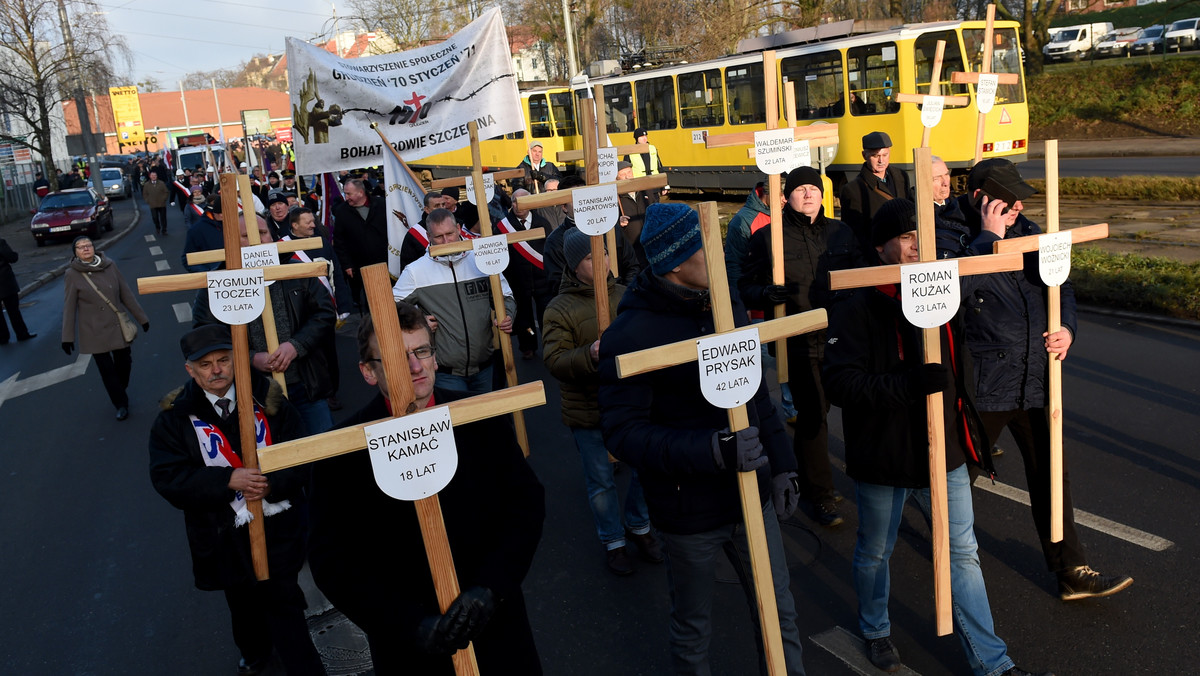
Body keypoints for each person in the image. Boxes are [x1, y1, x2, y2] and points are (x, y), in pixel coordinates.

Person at [823, 198, 1052, 676]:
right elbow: (841, 384)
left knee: (963, 554)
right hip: (886, 454)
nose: (913, 247)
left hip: (943, 450)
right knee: (875, 551)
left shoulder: (943, 295)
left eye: (919, 237)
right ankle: (876, 629)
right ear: (882, 247)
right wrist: (905, 386)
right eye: (903, 238)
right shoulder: (858, 303)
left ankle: (993, 662)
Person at [598, 203, 807, 675]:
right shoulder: (629, 336)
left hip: (752, 495)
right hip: (688, 512)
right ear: (673, 262)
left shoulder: (726, 304)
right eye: (704, 249)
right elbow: (623, 433)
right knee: (694, 631)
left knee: (779, 615)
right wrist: (712, 451)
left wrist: (783, 463)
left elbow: (756, 395)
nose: (718, 259)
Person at [307, 301, 545, 676]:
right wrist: (408, 624)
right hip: (411, 647)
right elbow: (332, 561)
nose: (416, 367)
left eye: (422, 351)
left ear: (435, 357)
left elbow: (525, 505)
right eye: (397, 358)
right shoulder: (340, 451)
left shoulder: (479, 418)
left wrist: (490, 588)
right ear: (368, 372)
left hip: (495, 625)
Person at [937, 158, 1133, 602]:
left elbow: (1061, 288)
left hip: (1037, 378)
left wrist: (1067, 329)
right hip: (984, 383)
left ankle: (1071, 570)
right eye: (1009, 197)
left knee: (1051, 474)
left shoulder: (1031, 230)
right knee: (954, 476)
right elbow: (950, 297)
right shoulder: (952, 234)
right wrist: (989, 239)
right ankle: (936, 553)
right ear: (981, 196)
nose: (1019, 204)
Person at [149, 324, 326, 676]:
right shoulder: (174, 417)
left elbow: (299, 458)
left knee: (284, 603)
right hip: (221, 536)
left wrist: (271, 484)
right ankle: (255, 654)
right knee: (243, 605)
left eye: (223, 360)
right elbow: (168, 478)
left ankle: (305, 668)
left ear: (236, 360)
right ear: (190, 370)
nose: (216, 370)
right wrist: (226, 479)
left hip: (277, 529)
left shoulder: (269, 399)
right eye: (205, 365)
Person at [739, 167, 863, 527]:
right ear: (786, 197)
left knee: (854, 411)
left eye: (814, 188)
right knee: (813, 419)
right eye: (800, 189)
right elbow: (744, 285)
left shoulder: (841, 233)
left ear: (823, 195)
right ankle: (821, 496)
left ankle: (808, 476)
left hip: (844, 339)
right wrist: (764, 293)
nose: (808, 194)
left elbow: (862, 275)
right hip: (799, 342)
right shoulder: (770, 239)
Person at [543, 228, 662, 575]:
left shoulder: (628, 293)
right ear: (573, 265)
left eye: (605, 254)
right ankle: (613, 541)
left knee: (644, 467)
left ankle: (639, 526)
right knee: (600, 481)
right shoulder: (558, 308)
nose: (602, 262)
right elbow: (555, 360)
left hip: (632, 405)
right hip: (588, 407)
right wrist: (591, 354)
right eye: (590, 257)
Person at [193, 212, 338, 436]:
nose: (256, 241)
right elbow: (205, 337)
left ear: (272, 236)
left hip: (305, 385)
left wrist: (295, 346)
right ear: (230, 242)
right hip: (252, 394)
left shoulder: (295, 271)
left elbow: (324, 313)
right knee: (272, 463)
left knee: (324, 456)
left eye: (261, 233)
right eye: (245, 235)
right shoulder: (214, 286)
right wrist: (248, 358)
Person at [392, 208, 516, 394]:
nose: (447, 241)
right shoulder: (415, 272)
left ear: (458, 228)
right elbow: (388, 310)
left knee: (491, 422)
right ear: (428, 236)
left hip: (486, 366)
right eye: (439, 237)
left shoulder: (481, 260)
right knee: (460, 423)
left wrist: (506, 315)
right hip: (445, 373)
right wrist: (418, 323)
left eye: (450, 234)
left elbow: (506, 296)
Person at [62, 236, 149, 420]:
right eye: (80, 247)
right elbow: (69, 307)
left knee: (124, 363)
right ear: (75, 252)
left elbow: (126, 293)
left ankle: (119, 390)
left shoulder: (110, 265)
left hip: (117, 326)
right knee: (107, 370)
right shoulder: (72, 274)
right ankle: (120, 404)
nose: (86, 249)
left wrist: (142, 319)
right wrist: (67, 337)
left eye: (88, 245)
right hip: (93, 331)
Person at [543, 175, 640, 294]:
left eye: (586, 198)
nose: (584, 204)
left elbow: (631, 265)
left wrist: (622, 294)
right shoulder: (555, 241)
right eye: (577, 201)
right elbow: (557, 283)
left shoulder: (610, 227)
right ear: (564, 207)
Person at [838, 131, 912, 261]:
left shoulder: (901, 176)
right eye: (875, 156)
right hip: (878, 257)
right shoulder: (853, 190)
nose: (881, 160)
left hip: (907, 252)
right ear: (864, 155)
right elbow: (856, 235)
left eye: (885, 155)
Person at [502, 188, 553, 359]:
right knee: (525, 320)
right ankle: (528, 346)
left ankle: (550, 346)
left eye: (523, 201)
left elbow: (549, 251)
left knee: (546, 316)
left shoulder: (543, 223)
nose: (519, 205)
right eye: (515, 201)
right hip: (518, 281)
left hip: (542, 280)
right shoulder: (503, 226)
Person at [332, 178, 388, 309]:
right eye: (345, 194)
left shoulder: (381, 204)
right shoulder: (342, 211)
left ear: (361, 192)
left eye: (349, 194)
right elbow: (339, 241)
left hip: (385, 262)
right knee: (369, 303)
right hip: (359, 266)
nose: (346, 198)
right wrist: (347, 265)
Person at [616, 160, 651, 268]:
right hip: (632, 251)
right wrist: (618, 221)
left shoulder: (644, 191)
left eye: (629, 172)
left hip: (650, 245)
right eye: (623, 175)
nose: (627, 177)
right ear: (616, 178)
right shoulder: (615, 198)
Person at [0, 237, 35, 343]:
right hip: (4, 281)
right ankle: (21, 334)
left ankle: (2, 337)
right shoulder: (0, 243)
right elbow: (12, 257)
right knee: (13, 310)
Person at [625, 127, 668, 203]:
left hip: (654, 185)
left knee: (655, 208)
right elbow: (626, 171)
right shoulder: (630, 152)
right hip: (640, 187)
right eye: (641, 137)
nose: (644, 138)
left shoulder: (652, 149)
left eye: (645, 136)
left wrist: (665, 185)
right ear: (636, 138)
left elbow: (660, 167)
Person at [143, 169, 170, 235]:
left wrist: (164, 199)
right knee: (155, 217)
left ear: (157, 176)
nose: (154, 177)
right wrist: (148, 200)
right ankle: (157, 227)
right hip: (152, 204)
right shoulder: (146, 185)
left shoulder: (161, 183)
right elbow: (145, 194)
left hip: (162, 204)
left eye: (155, 175)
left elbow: (166, 192)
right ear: (150, 176)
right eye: (152, 175)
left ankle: (164, 229)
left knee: (163, 218)